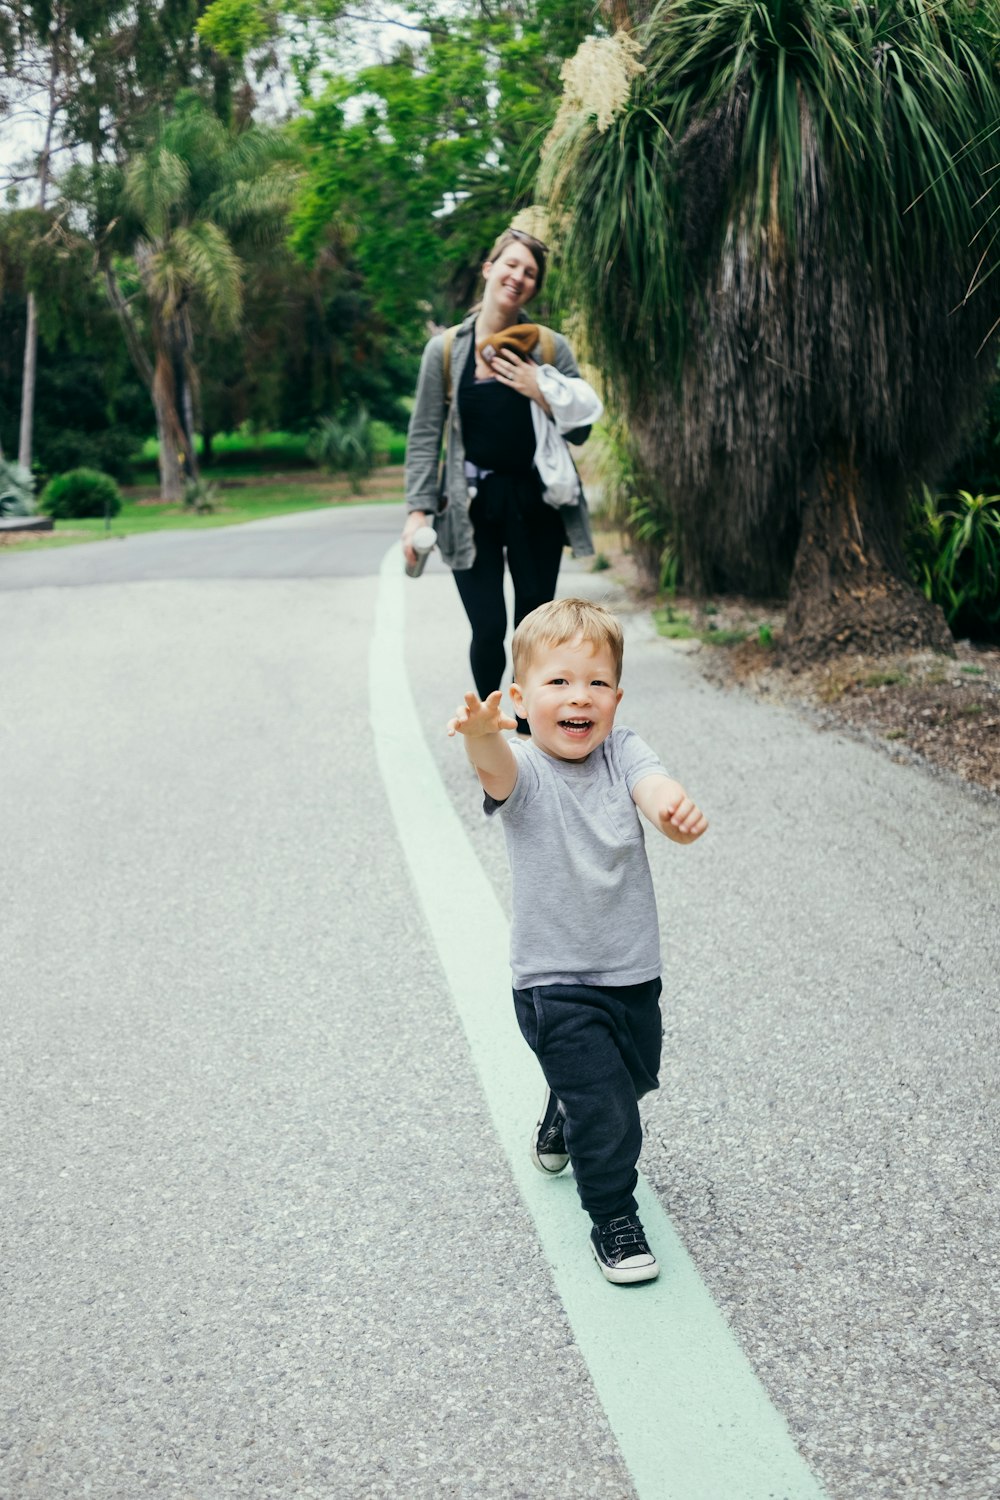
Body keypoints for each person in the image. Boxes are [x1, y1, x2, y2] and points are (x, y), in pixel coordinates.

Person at [446, 598, 709, 1284]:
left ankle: (563, 1109)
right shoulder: (526, 772)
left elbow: (654, 787)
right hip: (553, 981)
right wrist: (481, 735)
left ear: (617, 697)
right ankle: (614, 1219)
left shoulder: (622, 752)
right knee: (610, 1116)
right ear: (522, 699)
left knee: (635, 1079)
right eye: (559, 682)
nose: (579, 697)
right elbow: (494, 766)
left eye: (596, 683)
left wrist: (671, 812)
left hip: (630, 972)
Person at [402, 227, 596, 730]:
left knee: (533, 632)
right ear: (489, 269)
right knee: (487, 628)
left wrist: (542, 390)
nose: (519, 277)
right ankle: (491, 731)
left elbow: (583, 430)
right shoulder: (444, 352)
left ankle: (533, 737)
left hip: (536, 504)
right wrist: (416, 512)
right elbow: (425, 433)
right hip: (471, 508)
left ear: (533, 288)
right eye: (511, 265)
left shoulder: (550, 348)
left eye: (530, 273)